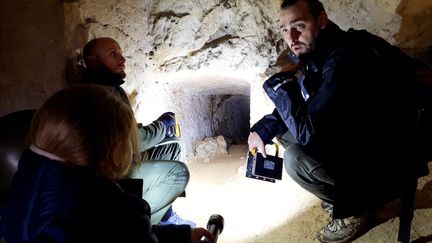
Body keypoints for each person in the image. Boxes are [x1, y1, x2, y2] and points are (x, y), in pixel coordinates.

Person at [248, 0, 430, 242]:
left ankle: (356, 211)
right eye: (284, 29)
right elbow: (307, 106)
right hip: (365, 140)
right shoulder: (321, 53)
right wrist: (263, 130)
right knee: (284, 133)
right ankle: (354, 196)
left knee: (296, 158)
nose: (291, 37)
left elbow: (309, 131)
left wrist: (279, 85)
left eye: (299, 25)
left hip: (392, 157)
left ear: (321, 20)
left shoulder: (345, 59)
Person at [0, 84, 213, 243]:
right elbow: (125, 232)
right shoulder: (122, 211)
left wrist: (181, 235)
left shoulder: (20, 196)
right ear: (114, 150)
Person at [80, 37, 194, 226]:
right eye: (113, 54)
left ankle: (165, 212)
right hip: (114, 174)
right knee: (178, 173)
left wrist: (163, 129)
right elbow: (135, 141)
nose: (122, 59)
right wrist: (162, 125)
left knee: (174, 145)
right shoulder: (97, 96)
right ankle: (145, 225)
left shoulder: (114, 89)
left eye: (121, 53)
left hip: (124, 158)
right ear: (93, 62)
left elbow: (130, 131)